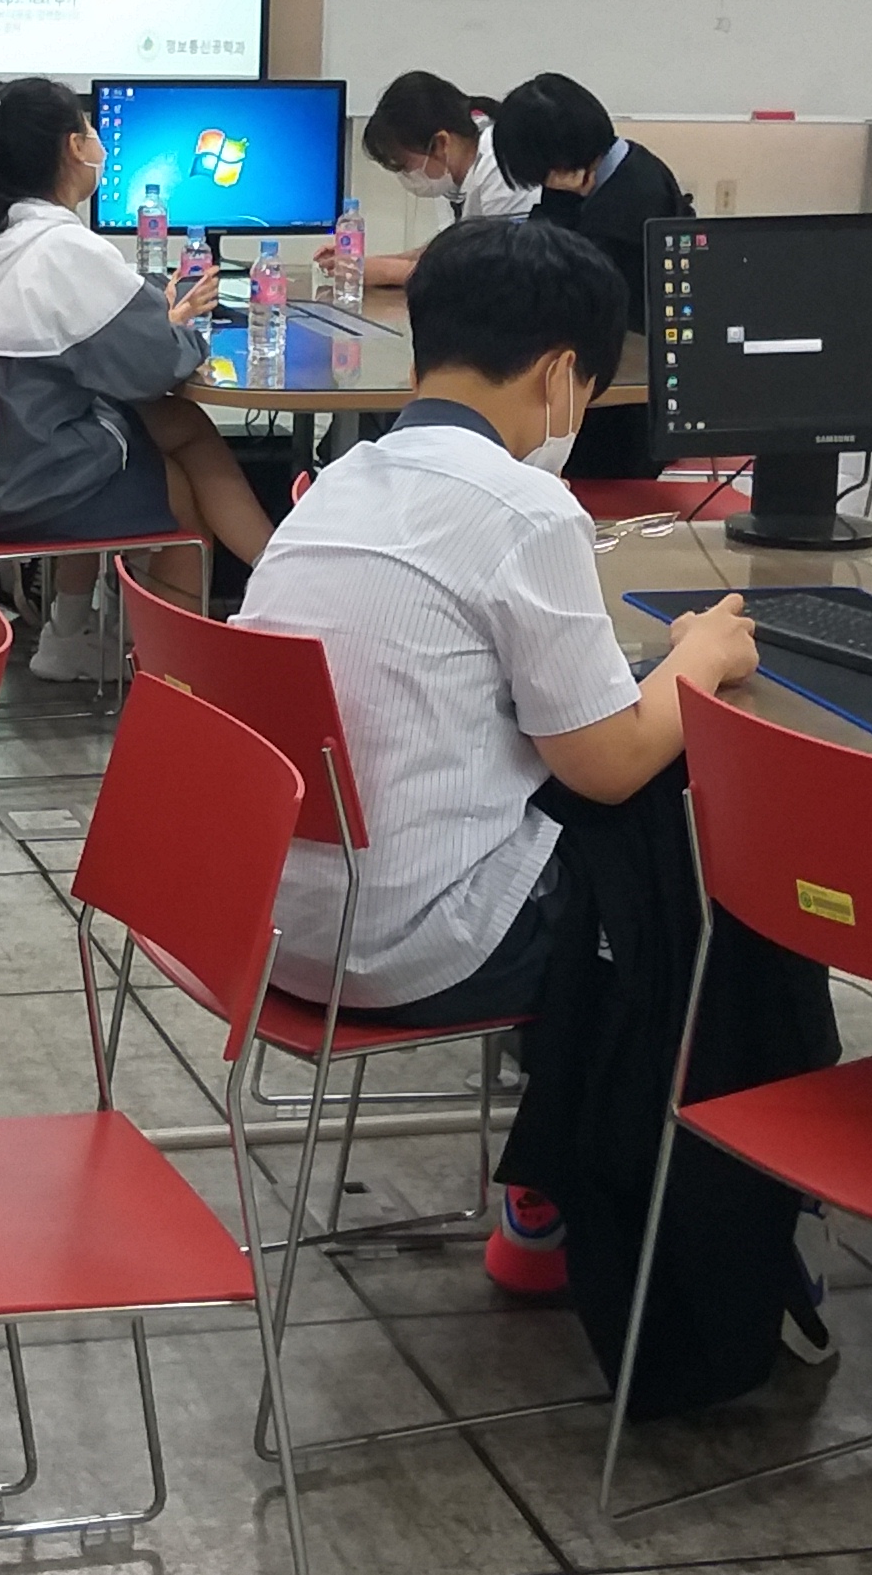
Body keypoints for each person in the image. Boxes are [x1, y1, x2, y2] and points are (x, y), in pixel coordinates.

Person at [237, 218, 759, 1025]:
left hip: (269, 923)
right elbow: (609, 764)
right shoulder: (528, 507)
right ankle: (682, 1083)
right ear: (560, 375)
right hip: (412, 947)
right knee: (680, 818)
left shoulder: (338, 480)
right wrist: (703, 654)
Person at [0, 76, 273, 678]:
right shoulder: (61, 250)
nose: (100, 144)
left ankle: (71, 638)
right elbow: (155, 366)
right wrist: (179, 325)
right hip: (28, 487)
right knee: (177, 495)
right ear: (72, 147)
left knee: (177, 423)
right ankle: (182, 670)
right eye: (91, 131)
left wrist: (155, 324)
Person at [495, 72, 687, 486]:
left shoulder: (634, 194)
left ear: (557, 156)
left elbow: (573, 285)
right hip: (592, 369)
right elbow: (544, 244)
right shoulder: (583, 178)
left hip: (627, 401)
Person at [357, 70, 537, 291]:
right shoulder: (453, 173)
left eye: (405, 165)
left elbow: (500, 271)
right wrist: (363, 264)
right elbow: (450, 253)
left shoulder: (500, 164)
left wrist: (387, 271)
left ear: (441, 143)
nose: (406, 175)